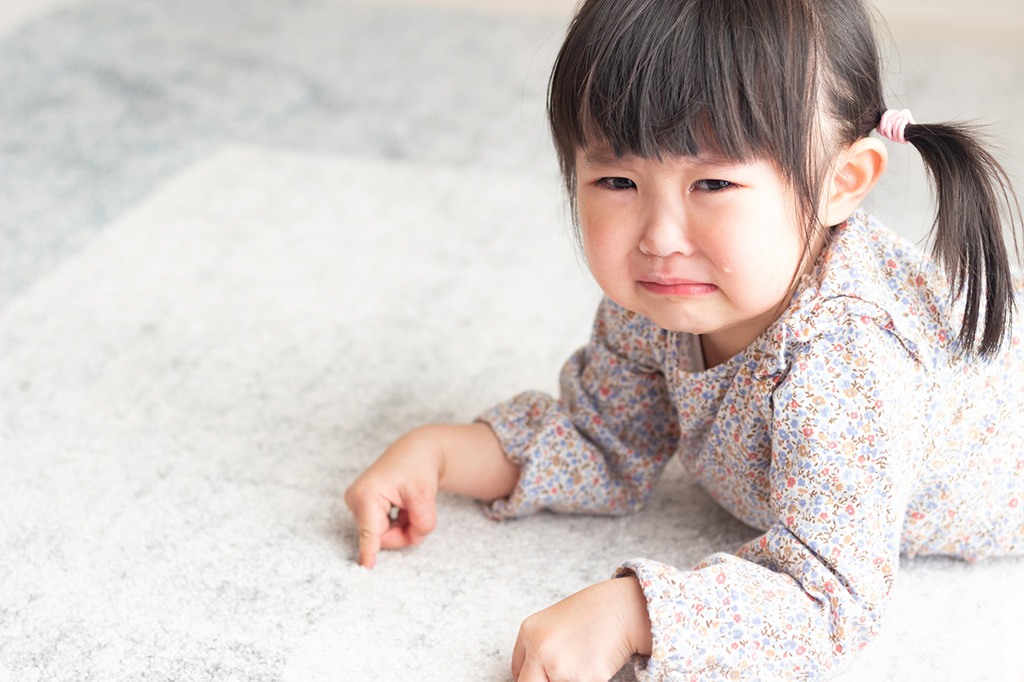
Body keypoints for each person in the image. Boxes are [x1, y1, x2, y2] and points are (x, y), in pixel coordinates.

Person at [344, 0, 1024, 679]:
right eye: (617, 180)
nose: (658, 237)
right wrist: (440, 454)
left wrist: (633, 612)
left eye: (713, 183)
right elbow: (605, 437)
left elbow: (828, 595)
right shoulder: (666, 296)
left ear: (840, 183)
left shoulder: (849, 359)